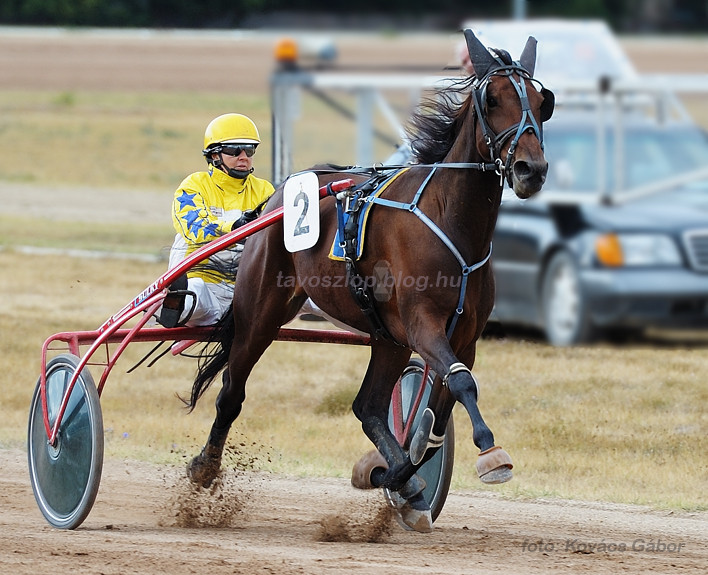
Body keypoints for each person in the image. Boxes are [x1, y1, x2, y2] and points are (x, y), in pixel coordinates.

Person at [159, 113, 275, 327]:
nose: (243, 156)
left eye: (249, 150)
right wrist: (234, 227)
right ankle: (172, 303)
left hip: (247, 291)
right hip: (203, 285)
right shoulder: (194, 184)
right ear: (214, 155)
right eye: (234, 150)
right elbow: (194, 228)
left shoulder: (265, 190)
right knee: (195, 293)